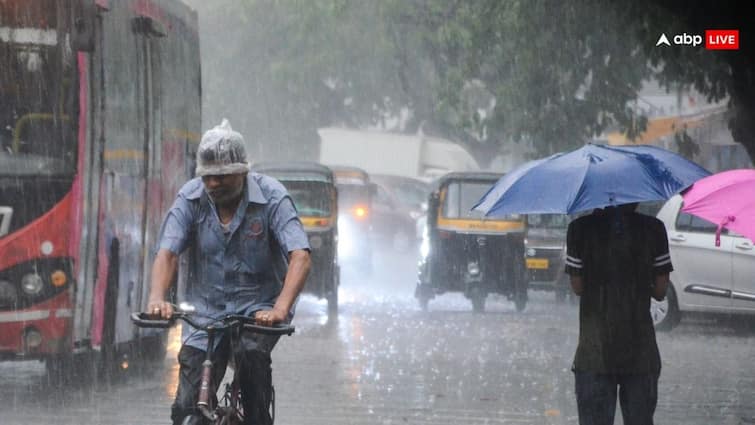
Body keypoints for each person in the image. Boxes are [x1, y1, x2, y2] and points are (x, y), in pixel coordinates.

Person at [146, 119, 311, 425]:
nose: (213, 185)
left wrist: (279, 309)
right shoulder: (190, 198)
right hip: (205, 312)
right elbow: (167, 253)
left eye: (221, 177)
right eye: (207, 177)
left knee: (250, 356)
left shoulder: (272, 197)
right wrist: (158, 298)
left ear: (242, 171)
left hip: (259, 310)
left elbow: (300, 256)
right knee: (185, 405)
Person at [565, 202, 672, 425]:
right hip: (640, 351)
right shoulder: (653, 229)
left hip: (595, 352)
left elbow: (578, 286)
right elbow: (661, 290)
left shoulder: (580, 229)